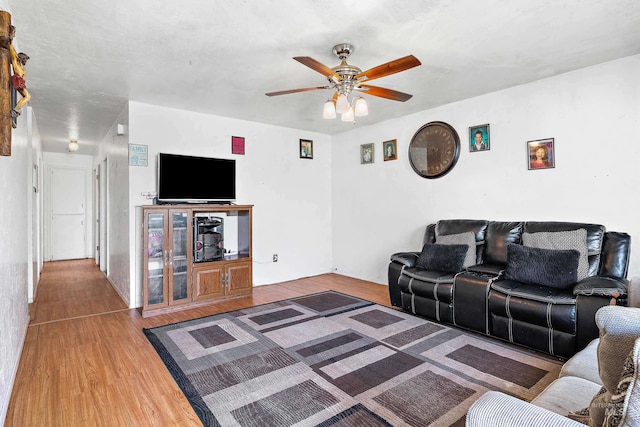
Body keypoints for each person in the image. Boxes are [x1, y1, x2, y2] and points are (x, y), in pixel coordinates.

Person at [8, 26, 30, 117]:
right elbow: (11, 48)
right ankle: (16, 109)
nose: (25, 62)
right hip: (17, 79)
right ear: (22, 58)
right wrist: (12, 35)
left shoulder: (22, 68)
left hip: (20, 80)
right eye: (25, 60)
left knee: (27, 96)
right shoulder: (16, 61)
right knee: (28, 96)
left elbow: (24, 75)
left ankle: (17, 109)